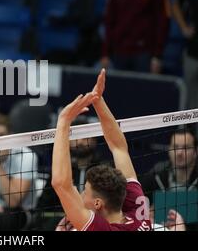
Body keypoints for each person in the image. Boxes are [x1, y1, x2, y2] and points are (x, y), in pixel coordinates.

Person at [52, 69, 152, 231]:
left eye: (85, 191)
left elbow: (61, 184)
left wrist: (63, 121)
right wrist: (98, 100)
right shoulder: (138, 212)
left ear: (98, 203)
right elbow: (119, 148)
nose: (82, 195)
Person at [140, 129, 197, 230]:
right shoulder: (155, 176)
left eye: (186, 148)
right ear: (169, 149)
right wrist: (146, 215)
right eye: (175, 147)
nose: (179, 152)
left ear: (196, 151)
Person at [173, 0, 198, 120]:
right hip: (193, 52)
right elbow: (175, 4)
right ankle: (190, 135)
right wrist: (183, 27)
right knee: (191, 99)